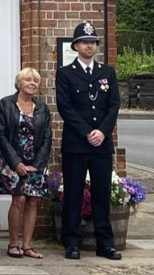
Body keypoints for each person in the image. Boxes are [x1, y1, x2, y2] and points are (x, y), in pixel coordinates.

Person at [56, 21, 122, 261]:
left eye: (93, 42)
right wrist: (87, 132)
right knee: (73, 193)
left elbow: (114, 105)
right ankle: (72, 242)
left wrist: (102, 131)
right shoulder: (65, 73)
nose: (90, 46)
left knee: (101, 193)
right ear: (76, 46)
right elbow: (65, 107)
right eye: (85, 42)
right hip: (76, 143)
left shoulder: (107, 72)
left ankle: (105, 243)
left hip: (101, 144)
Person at [0, 68, 52, 260]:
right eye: (28, 80)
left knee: (33, 201)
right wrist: (16, 162)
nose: (32, 83)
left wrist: (37, 164)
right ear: (19, 83)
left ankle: (27, 246)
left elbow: (47, 138)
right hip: (13, 161)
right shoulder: (6, 104)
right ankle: (13, 244)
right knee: (18, 200)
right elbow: (0, 135)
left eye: (35, 81)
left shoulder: (42, 107)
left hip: (35, 163)